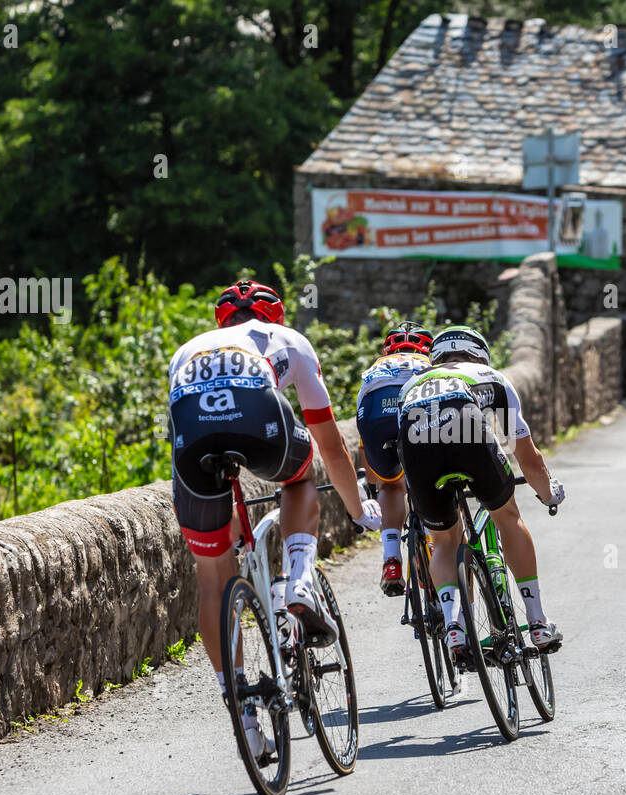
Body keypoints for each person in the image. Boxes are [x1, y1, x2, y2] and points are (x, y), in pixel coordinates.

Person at [167, 279, 380, 759]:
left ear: (221, 322)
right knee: (300, 478)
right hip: (258, 417)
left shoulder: (186, 352)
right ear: (274, 317)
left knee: (211, 579)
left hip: (193, 442)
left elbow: (186, 433)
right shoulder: (290, 343)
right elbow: (328, 440)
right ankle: (300, 576)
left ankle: (242, 713)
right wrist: (355, 508)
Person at [396, 325, 566, 666]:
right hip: (466, 427)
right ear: (480, 354)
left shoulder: (411, 385)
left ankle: (456, 628)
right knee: (507, 515)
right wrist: (549, 494)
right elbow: (527, 456)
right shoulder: (490, 376)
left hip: (416, 440)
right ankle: (536, 622)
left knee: (443, 540)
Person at [355, 322, 433, 597]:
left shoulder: (375, 368)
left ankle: (391, 560)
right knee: (436, 477)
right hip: (419, 408)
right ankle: (435, 544)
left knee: (389, 485)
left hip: (376, 411)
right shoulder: (430, 364)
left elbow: (365, 446)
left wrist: (379, 487)